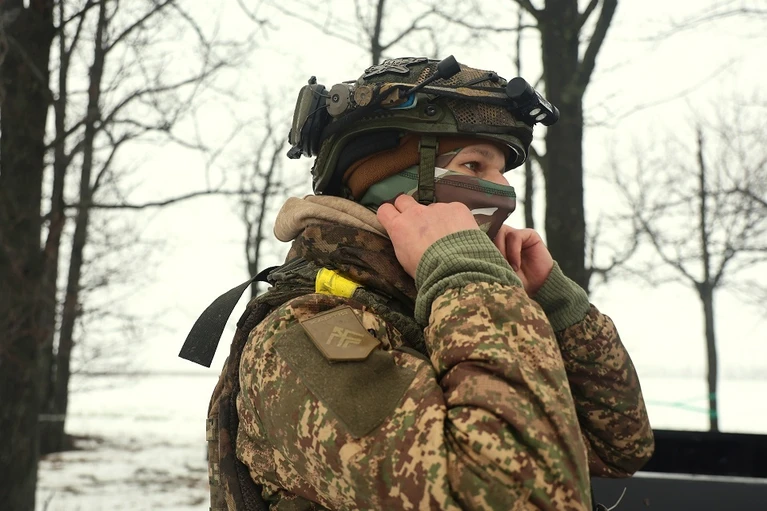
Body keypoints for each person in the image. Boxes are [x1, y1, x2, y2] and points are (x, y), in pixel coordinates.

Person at [194, 56, 654, 510]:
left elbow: (618, 446)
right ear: (389, 183)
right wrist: (469, 279)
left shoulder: (443, 309)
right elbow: (505, 495)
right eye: (475, 166)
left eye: (502, 170)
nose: (503, 191)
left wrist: (555, 306)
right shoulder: (304, 334)